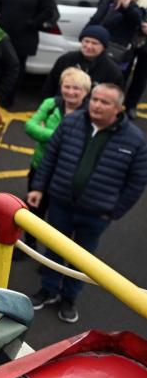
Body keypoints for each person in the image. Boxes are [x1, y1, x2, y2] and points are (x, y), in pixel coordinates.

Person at [28, 83, 147, 323]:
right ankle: (48, 290)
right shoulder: (71, 123)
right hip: (61, 204)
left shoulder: (135, 140)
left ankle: (69, 297)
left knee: (83, 258)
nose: (96, 105)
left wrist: (114, 211)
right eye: (94, 99)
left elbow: (137, 181)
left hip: (95, 215)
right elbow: (50, 156)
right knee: (54, 250)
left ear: (118, 108)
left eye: (104, 102)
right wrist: (39, 187)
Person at [21, 66, 92, 253]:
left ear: (86, 91)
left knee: (59, 217)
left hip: (67, 174)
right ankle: (29, 244)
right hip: (40, 166)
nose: (71, 92)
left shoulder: (91, 113)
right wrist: (62, 136)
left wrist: (44, 133)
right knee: (34, 210)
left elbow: (87, 143)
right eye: (67, 87)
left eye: (76, 88)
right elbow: (29, 127)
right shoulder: (50, 104)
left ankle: (52, 255)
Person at [40, 24, 123, 98]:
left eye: (94, 43)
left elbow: (113, 99)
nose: (89, 46)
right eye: (86, 41)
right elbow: (50, 86)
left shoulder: (112, 71)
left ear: (104, 47)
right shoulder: (66, 59)